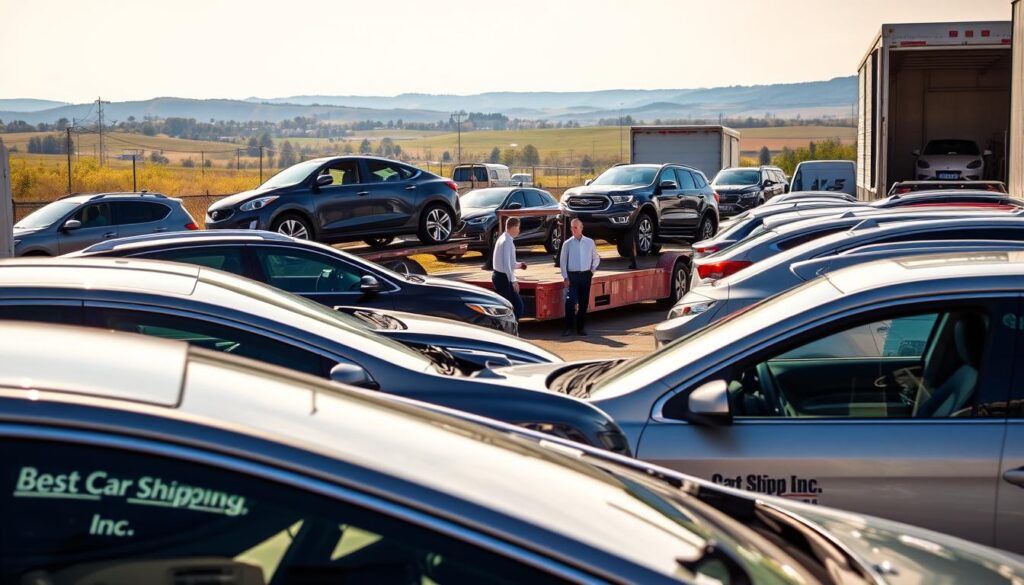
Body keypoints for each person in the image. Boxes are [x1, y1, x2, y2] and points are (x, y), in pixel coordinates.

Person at [560, 218, 600, 336]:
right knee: (570, 301)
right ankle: (568, 328)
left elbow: (596, 257)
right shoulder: (567, 244)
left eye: (576, 227)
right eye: (572, 227)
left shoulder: (589, 242)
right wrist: (565, 277)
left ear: (581, 228)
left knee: (583, 303)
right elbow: (563, 262)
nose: (573, 229)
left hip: (585, 275)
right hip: (572, 277)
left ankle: (580, 328)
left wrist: (592, 270)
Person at [491, 217, 527, 320]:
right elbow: (507, 264)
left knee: (507, 306)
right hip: (503, 278)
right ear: (514, 227)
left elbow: (509, 263)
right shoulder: (507, 241)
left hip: (499, 276)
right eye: (518, 227)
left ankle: (509, 327)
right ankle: (511, 328)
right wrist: (513, 281)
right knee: (517, 305)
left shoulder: (503, 238)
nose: (519, 230)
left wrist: (520, 265)